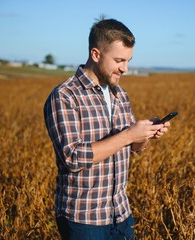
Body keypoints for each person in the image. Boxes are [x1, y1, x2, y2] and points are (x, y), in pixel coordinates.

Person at [43, 17, 170, 240]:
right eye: (119, 60)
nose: (126, 68)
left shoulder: (120, 94)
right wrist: (129, 134)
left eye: (128, 60)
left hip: (121, 214)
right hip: (83, 219)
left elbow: (132, 148)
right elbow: (73, 157)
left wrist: (145, 134)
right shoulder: (65, 96)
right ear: (96, 54)